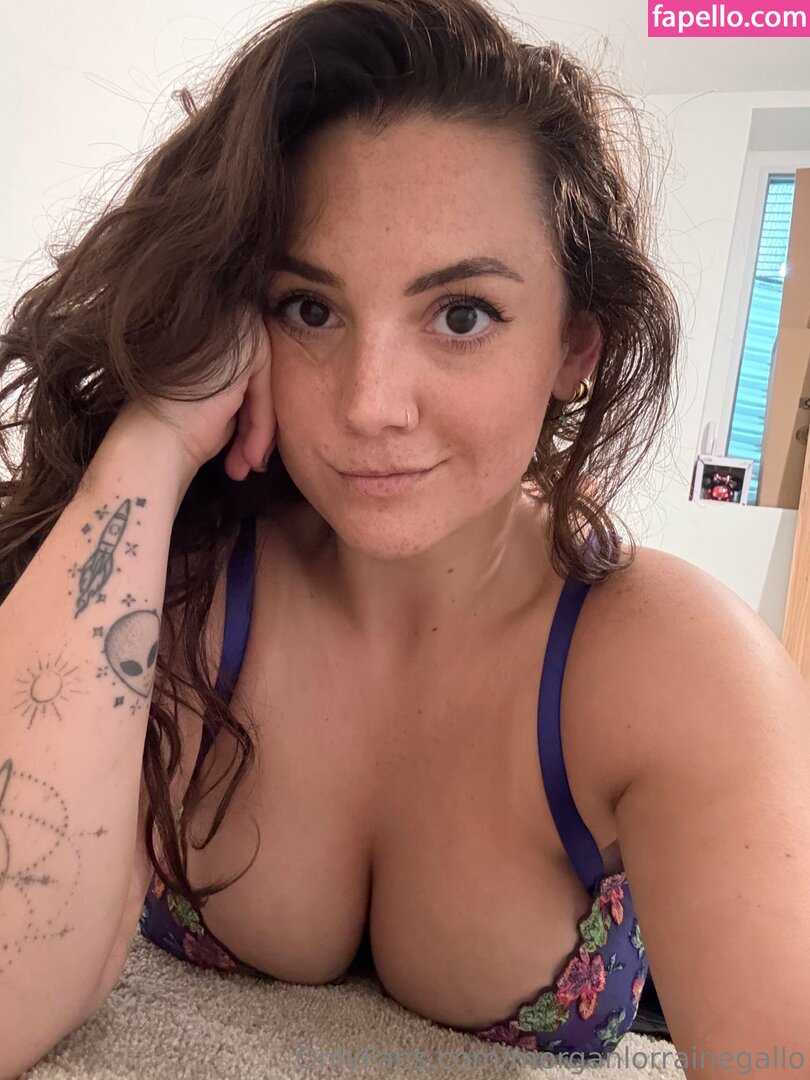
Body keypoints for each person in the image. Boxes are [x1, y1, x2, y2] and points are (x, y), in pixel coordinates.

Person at [0, 0, 808, 1074]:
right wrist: (153, 438)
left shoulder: (675, 665)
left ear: (574, 346)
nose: (370, 404)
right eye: (309, 309)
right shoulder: (174, 581)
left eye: (461, 314)